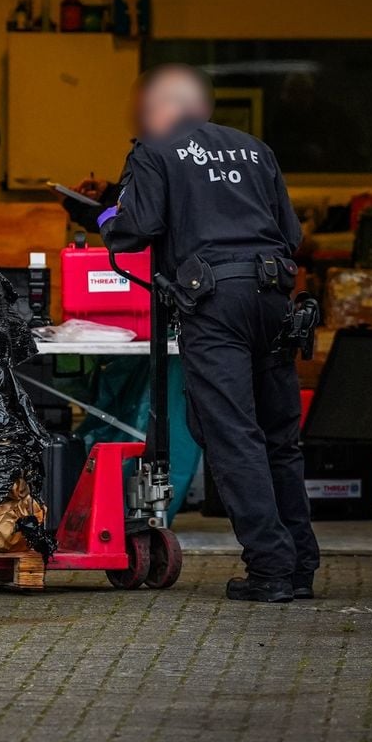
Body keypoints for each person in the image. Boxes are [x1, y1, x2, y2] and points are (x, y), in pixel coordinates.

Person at [97, 63, 319, 604]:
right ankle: (300, 566)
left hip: (215, 301)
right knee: (278, 438)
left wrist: (104, 214)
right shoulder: (253, 149)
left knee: (232, 433)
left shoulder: (154, 150)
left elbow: (135, 228)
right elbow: (291, 234)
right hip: (272, 297)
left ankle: (269, 569)